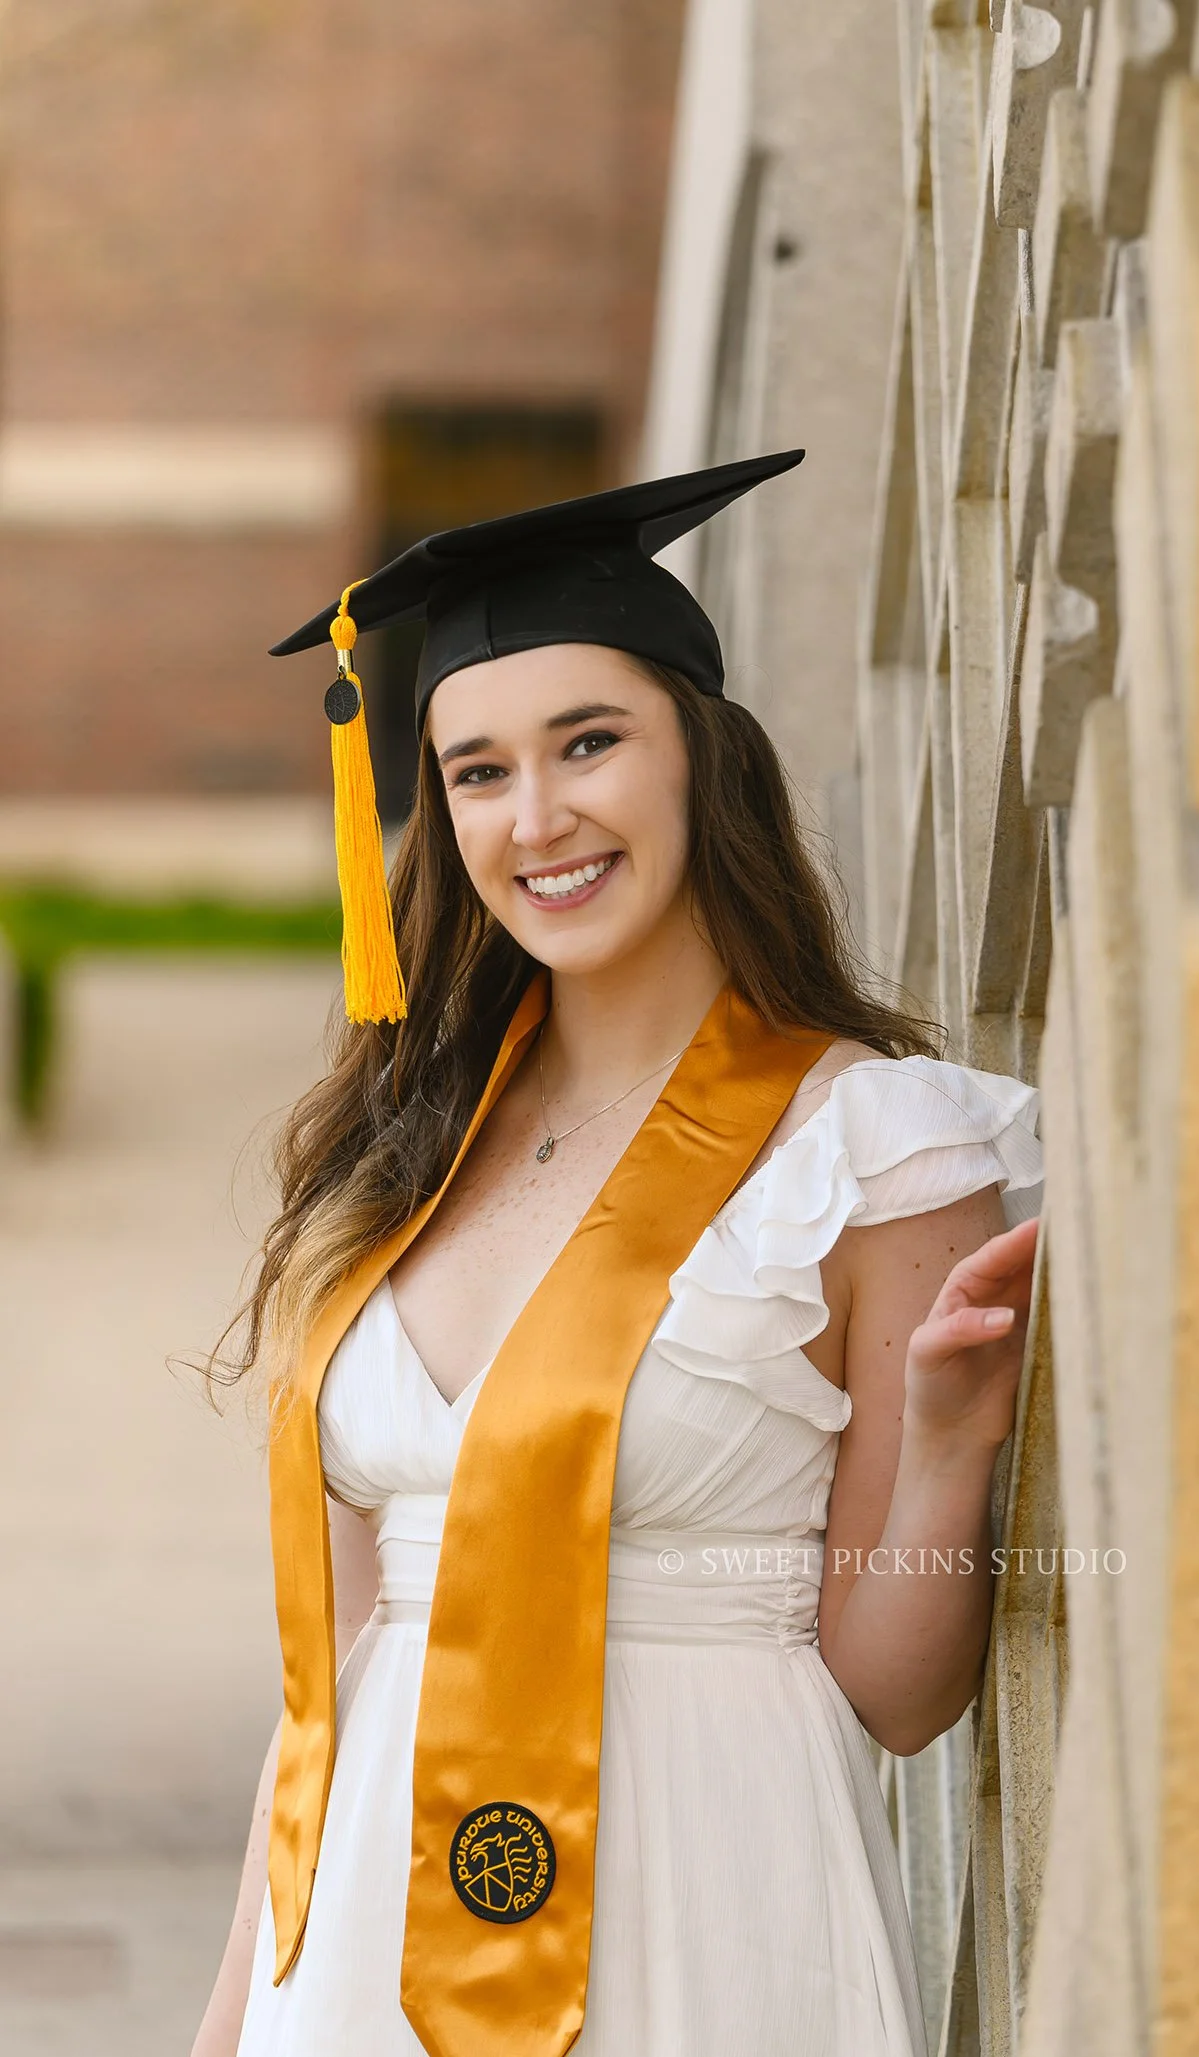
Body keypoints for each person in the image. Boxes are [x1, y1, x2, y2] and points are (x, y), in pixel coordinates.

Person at [192, 451, 1044, 2057]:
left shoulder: (874, 1151)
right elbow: (330, 1693)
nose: (540, 817)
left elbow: (895, 1699)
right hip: (361, 1922)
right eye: (476, 772)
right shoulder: (408, 1156)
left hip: (700, 1903)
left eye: (591, 742)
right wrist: (230, 2023)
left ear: (702, 762)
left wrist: (946, 1449)